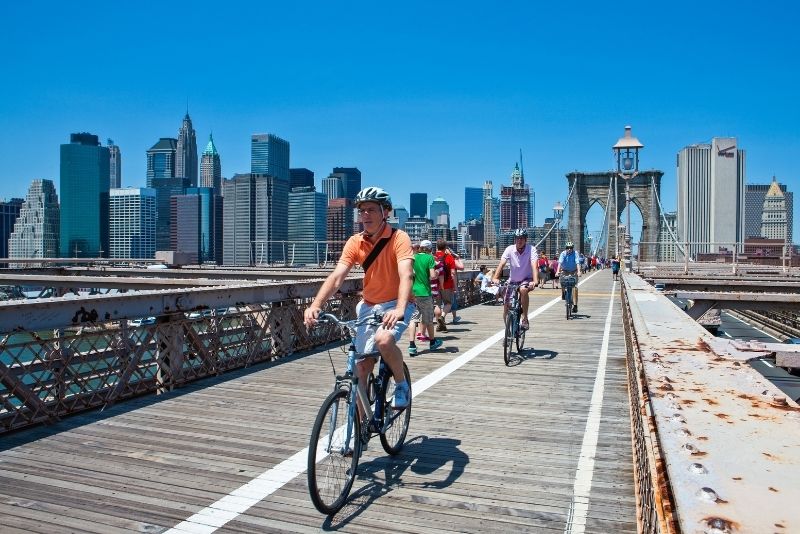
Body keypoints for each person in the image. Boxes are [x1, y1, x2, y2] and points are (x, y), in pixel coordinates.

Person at [303, 186, 414, 409]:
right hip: (369, 305)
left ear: (386, 212)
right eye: (361, 211)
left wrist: (400, 308)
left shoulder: (399, 238)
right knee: (361, 368)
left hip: (396, 303)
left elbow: (406, 274)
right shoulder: (355, 242)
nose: (365, 215)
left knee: (384, 340)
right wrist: (316, 305)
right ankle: (358, 436)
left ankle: (401, 384)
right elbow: (337, 277)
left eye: (371, 210)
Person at [491, 229, 539, 329]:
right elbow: (502, 264)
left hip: (526, 279)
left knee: (523, 290)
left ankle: (525, 318)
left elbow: (534, 265)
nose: (519, 240)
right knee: (506, 308)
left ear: (526, 239)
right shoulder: (509, 249)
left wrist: (535, 280)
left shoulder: (531, 249)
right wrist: (495, 277)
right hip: (512, 280)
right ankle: (507, 331)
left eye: (521, 238)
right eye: (517, 238)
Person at [408, 240, 444, 355]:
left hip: (413, 292)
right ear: (429, 249)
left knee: (413, 319)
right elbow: (433, 276)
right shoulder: (429, 258)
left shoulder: (413, 257)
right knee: (428, 319)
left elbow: (410, 273)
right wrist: (438, 272)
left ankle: (412, 345)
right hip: (425, 293)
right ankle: (433, 342)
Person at [434, 239, 465, 328]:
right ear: (445, 247)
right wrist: (455, 286)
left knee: (438, 304)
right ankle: (443, 317)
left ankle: (439, 324)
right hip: (447, 285)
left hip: (436, 285)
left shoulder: (433, 256)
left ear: (437, 246)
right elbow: (453, 273)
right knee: (448, 303)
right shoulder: (449, 257)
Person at [556, 241, 581, 313]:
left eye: (571, 248)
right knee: (562, 281)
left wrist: (579, 271)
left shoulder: (575, 253)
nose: (569, 249)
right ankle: (563, 292)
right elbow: (560, 263)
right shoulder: (563, 254)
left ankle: (575, 306)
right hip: (565, 270)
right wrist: (557, 271)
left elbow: (577, 263)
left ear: (572, 248)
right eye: (567, 248)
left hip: (574, 271)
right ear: (565, 248)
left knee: (575, 287)